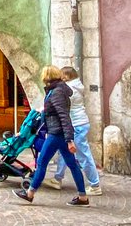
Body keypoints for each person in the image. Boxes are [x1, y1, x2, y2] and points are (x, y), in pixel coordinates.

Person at [13, 65, 90, 207]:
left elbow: (63, 116)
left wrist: (69, 139)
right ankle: (83, 197)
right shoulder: (57, 90)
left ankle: (30, 193)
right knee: (72, 165)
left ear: (47, 77)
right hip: (57, 132)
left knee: (42, 162)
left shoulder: (56, 92)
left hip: (57, 134)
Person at [44, 66, 102, 196]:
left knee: (83, 156)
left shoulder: (69, 90)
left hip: (76, 124)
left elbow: (61, 107)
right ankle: (57, 178)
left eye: (61, 75)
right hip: (78, 123)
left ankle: (95, 184)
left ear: (65, 77)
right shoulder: (76, 86)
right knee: (65, 152)